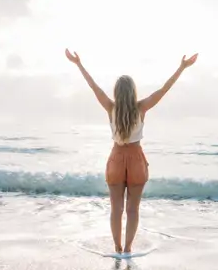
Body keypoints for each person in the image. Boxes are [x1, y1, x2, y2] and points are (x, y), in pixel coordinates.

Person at [66, 48, 198, 256]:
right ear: (133, 92)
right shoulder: (141, 107)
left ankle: (117, 248)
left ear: (117, 92)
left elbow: (93, 86)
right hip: (136, 159)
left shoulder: (110, 107)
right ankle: (128, 248)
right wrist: (182, 67)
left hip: (117, 158)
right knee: (133, 210)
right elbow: (164, 89)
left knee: (116, 210)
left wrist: (78, 63)